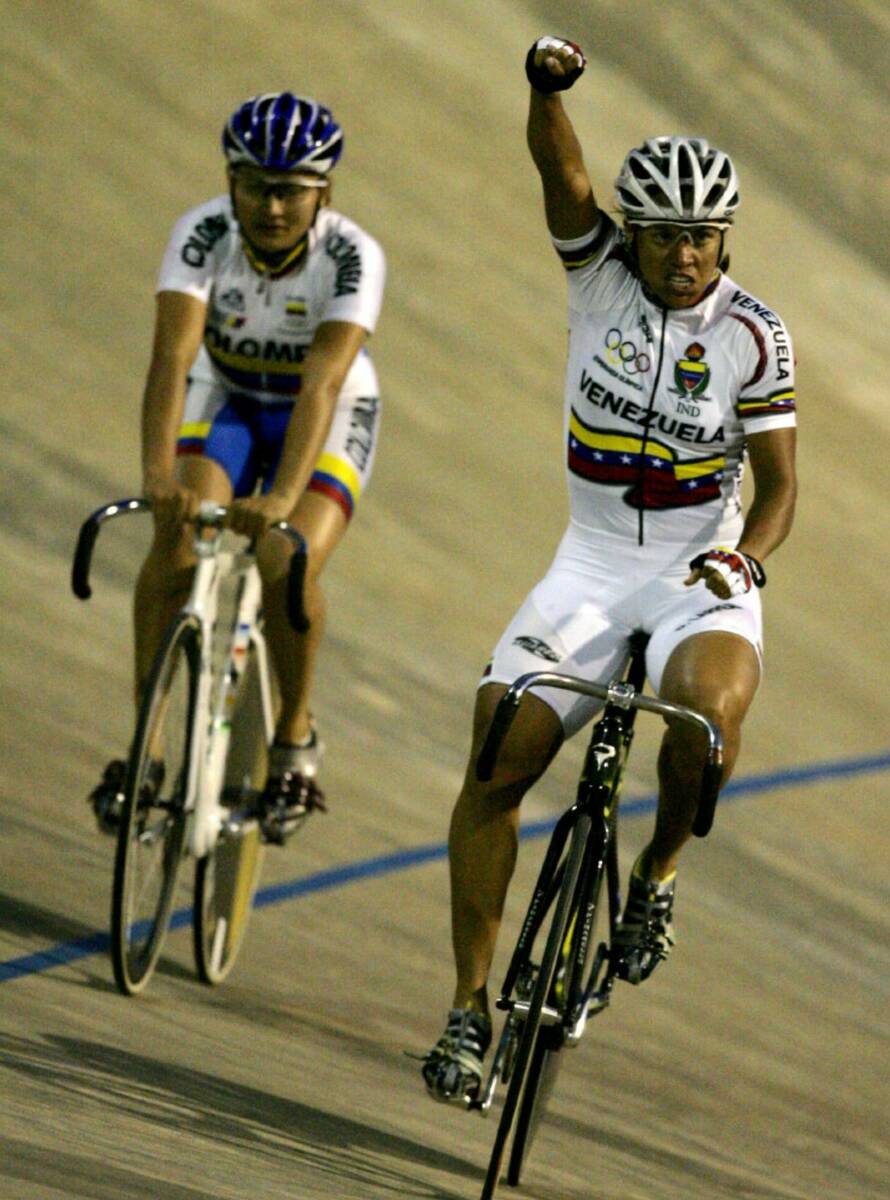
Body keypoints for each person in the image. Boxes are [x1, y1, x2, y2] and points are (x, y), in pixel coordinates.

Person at [422, 37, 797, 1103]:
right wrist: (544, 92)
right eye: (666, 234)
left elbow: (777, 487)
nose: (685, 254)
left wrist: (745, 560)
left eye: (704, 237)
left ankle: (656, 874)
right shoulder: (595, 277)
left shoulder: (753, 336)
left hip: (694, 569)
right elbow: (562, 173)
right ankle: (464, 1009)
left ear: (724, 240)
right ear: (631, 236)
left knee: (704, 728)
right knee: (497, 752)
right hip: (588, 561)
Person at [89, 91, 385, 843]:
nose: (272, 206)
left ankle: (293, 738)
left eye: (289, 190)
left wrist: (284, 494)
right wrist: (158, 478)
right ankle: (147, 750)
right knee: (177, 538)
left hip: (323, 410)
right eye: (255, 185)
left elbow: (321, 384)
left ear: (324, 192)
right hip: (227, 397)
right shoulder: (201, 233)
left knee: (287, 557)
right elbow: (173, 357)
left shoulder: (352, 255)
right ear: (231, 184)